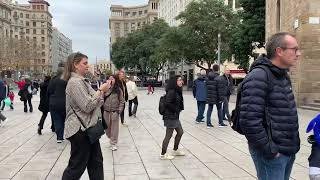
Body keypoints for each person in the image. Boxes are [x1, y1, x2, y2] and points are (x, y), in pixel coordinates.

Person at [239, 32, 301, 180]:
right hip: (272, 153)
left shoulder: (282, 75)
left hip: (287, 149)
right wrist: (269, 151)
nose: (298, 54)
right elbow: (249, 120)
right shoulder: (259, 76)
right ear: (279, 51)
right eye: (294, 49)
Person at [62, 52, 110, 180]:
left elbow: (96, 102)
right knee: (77, 166)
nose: (87, 66)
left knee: (96, 163)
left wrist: (100, 95)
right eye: (84, 63)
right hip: (79, 130)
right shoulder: (74, 83)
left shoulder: (82, 82)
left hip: (88, 128)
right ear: (75, 65)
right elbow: (87, 106)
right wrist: (101, 91)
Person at [160, 75, 185, 160]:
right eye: (179, 80)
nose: (181, 81)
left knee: (180, 132)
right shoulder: (172, 91)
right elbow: (168, 103)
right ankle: (163, 154)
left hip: (174, 116)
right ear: (175, 82)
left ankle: (175, 149)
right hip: (170, 116)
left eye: (181, 80)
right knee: (168, 135)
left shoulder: (177, 90)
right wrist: (176, 110)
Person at [102, 75, 125, 151]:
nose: (111, 80)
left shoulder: (118, 90)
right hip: (106, 112)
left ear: (115, 80)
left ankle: (113, 143)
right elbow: (101, 98)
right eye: (109, 79)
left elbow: (122, 101)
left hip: (115, 112)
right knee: (107, 129)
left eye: (112, 79)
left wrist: (119, 111)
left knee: (114, 129)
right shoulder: (105, 89)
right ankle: (110, 137)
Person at [47, 63, 67, 143]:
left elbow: (49, 91)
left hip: (54, 103)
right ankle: (69, 135)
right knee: (66, 119)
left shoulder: (53, 80)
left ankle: (59, 137)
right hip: (65, 103)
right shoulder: (66, 80)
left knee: (57, 120)